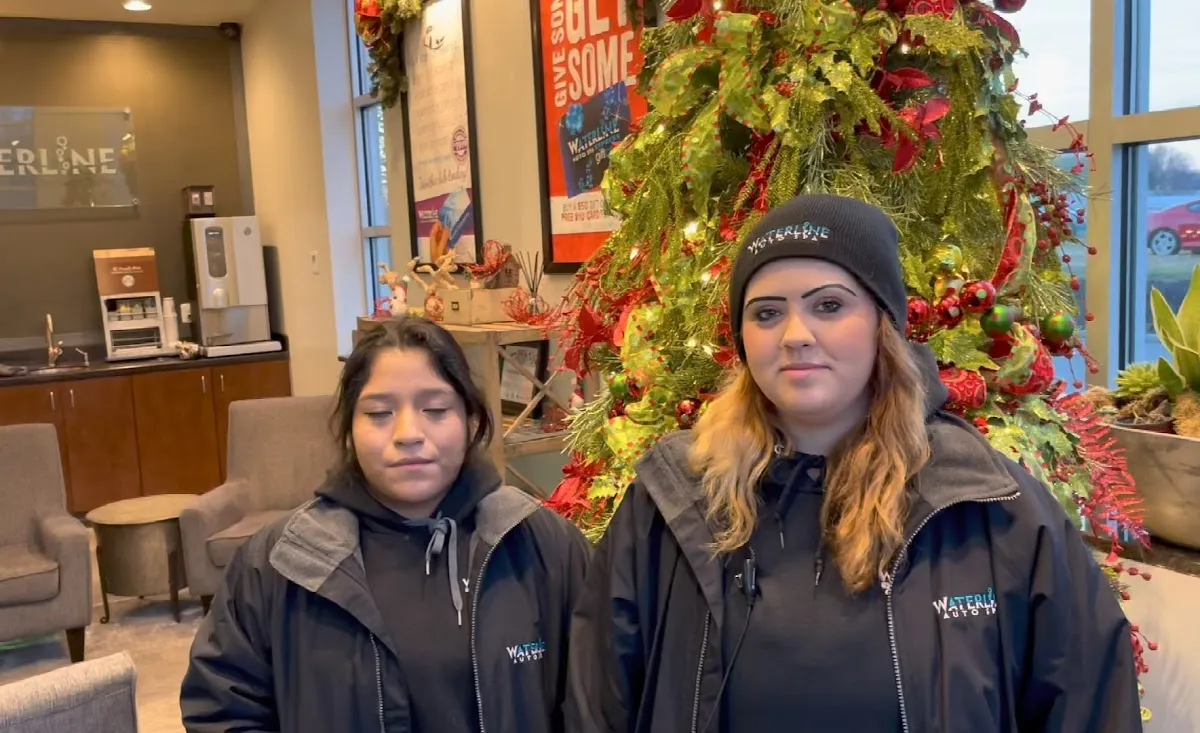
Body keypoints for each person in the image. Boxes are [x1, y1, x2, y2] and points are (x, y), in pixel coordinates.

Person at [565, 193, 1142, 733]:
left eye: (829, 305)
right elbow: (599, 701)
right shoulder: (674, 498)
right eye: (766, 313)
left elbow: (1087, 700)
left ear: (882, 324)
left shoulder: (985, 504)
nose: (795, 335)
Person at [181, 317, 590, 733]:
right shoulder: (277, 563)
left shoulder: (545, 547)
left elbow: (597, 702)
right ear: (349, 430)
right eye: (379, 413)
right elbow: (221, 710)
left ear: (470, 421)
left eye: (435, 409)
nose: (408, 434)